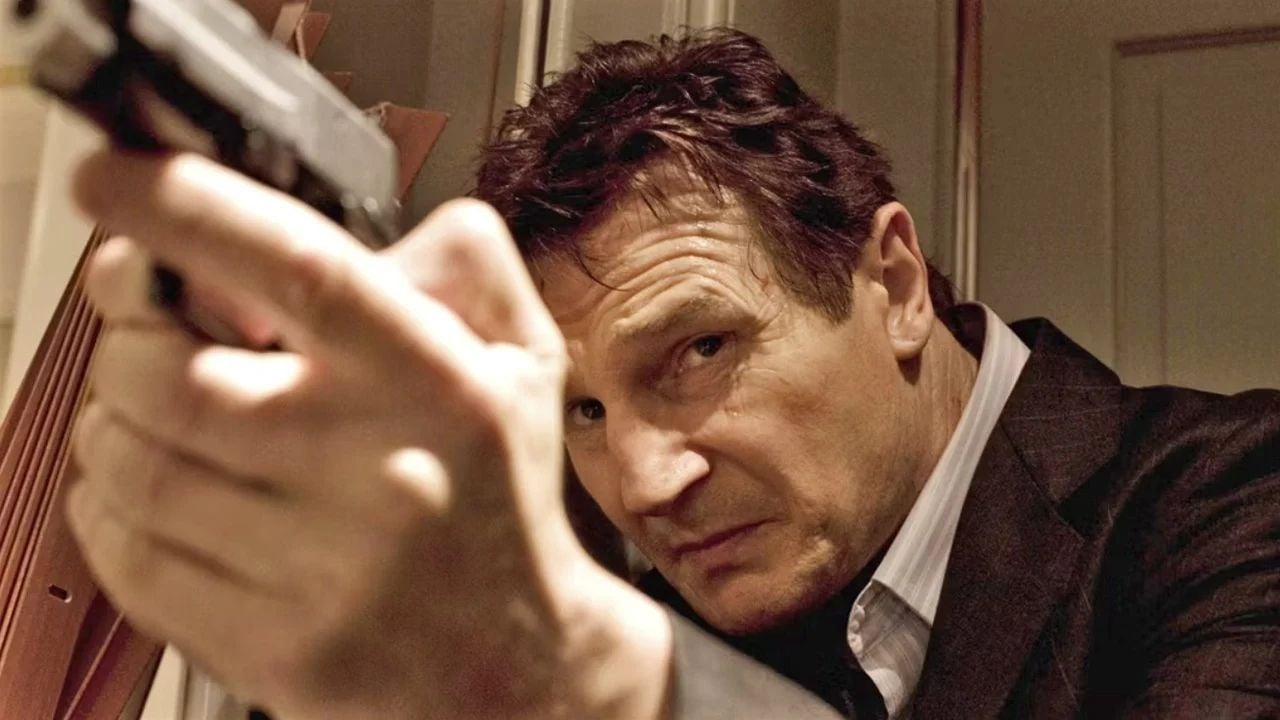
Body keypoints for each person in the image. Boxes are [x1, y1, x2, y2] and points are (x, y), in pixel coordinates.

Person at [66, 28, 1278, 720]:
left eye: (698, 352)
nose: (642, 486)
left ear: (896, 284)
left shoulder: (1239, 500)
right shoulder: (691, 606)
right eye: (582, 409)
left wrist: (565, 669)